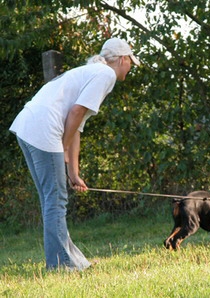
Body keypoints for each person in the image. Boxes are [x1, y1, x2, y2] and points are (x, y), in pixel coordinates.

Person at [9, 37, 140, 270]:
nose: (131, 67)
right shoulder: (105, 74)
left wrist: (73, 172)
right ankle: (60, 265)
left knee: (52, 200)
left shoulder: (91, 72)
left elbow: (76, 124)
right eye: (131, 61)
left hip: (27, 126)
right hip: (44, 129)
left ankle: (73, 261)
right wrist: (62, 147)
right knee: (56, 200)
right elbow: (76, 112)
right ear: (122, 59)